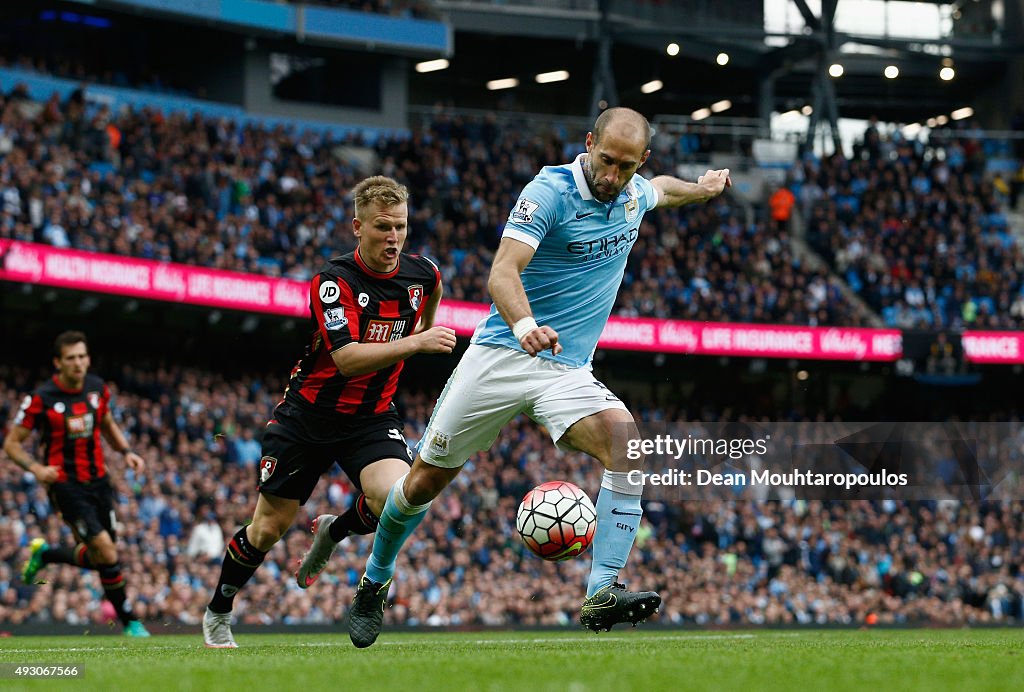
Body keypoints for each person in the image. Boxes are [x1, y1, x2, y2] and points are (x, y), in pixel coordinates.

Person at [347, 107, 731, 648]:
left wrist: (701, 188)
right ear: (589, 141)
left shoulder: (632, 192)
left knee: (628, 444)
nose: (611, 176)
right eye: (605, 161)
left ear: (639, 161)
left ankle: (603, 590)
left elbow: (661, 190)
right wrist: (525, 323)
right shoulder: (548, 192)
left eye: (625, 166)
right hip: (502, 355)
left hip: (566, 369)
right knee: (420, 485)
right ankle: (374, 581)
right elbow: (502, 271)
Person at [202, 175, 455, 648]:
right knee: (267, 530)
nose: (394, 238)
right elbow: (346, 358)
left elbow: (430, 303)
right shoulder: (332, 283)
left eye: (401, 226)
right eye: (383, 227)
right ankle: (218, 610)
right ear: (357, 226)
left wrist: (423, 331)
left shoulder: (424, 275)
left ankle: (333, 530)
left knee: (400, 500)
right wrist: (418, 341)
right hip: (307, 418)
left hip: (371, 418)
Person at [4, 331, 150, 637]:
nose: (78, 363)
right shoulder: (41, 399)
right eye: (71, 358)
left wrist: (126, 452)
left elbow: (107, 424)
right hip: (65, 485)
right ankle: (130, 623)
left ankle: (46, 555)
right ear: (58, 362)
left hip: (99, 481)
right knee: (107, 553)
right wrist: (36, 469)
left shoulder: (97, 389)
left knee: (103, 556)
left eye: (82, 356)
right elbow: (12, 444)